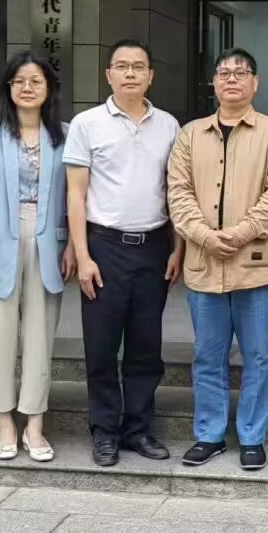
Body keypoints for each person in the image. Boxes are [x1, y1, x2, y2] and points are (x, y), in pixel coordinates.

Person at [167, 48, 268, 471]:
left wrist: (240, 233)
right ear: (214, 83)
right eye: (224, 73)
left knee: (258, 355)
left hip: (256, 266)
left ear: (255, 83)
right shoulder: (190, 135)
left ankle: (252, 436)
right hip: (204, 265)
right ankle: (209, 434)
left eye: (241, 73)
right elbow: (178, 192)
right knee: (208, 355)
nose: (232, 79)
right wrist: (204, 236)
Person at [64, 39, 184, 468]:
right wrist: (83, 255)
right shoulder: (87, 123)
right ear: (108, 74)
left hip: (153, 247)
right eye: (121, 66)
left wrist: (178, 247)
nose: (130, 73)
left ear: (151, 75)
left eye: (138, 66)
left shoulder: (169, 125)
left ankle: (138, 429)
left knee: (145, 347)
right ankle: (104, 431)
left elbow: (176, 192)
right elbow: (75, 195)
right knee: (101, 346)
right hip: (104, 247)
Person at [0, 51, 75, 463]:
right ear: (8, 87)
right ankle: (5, 423)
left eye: (36, 80)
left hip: (48, 243)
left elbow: (76, 197)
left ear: (49, 88)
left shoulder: (65, 134)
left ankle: (35, 425)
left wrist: (74, 245)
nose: (27, 88)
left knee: (40, 339)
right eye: (19, 81)